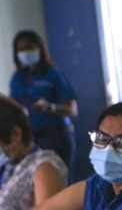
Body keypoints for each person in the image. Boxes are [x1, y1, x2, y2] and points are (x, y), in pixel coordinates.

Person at [5, 30, 78, 177]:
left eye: (29, 48)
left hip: (55, 136)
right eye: (21, 49)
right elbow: (15, 103)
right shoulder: (18, 77)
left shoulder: (54, 74)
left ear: (40, 49)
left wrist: (49, 107)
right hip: (29, 139)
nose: (25, 52)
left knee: (59, 181)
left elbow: (72, 110)